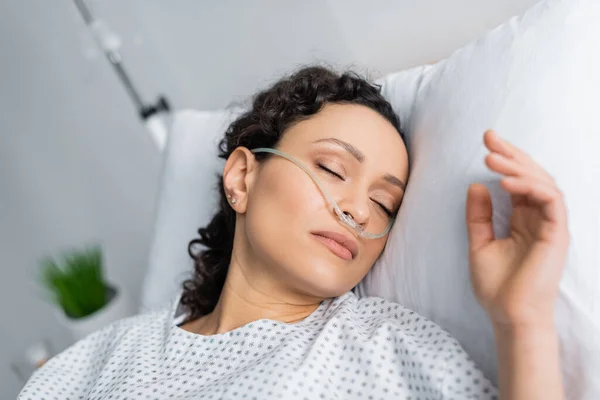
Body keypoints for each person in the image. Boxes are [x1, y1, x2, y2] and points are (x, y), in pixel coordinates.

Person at [19, 66, 568, 400]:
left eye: (385, 203)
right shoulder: (106, 358)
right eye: (332, 169)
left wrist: (522, 320)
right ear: (242, 176)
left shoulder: (383, 349)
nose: (358, 211)